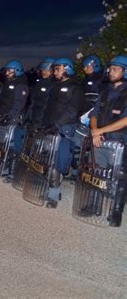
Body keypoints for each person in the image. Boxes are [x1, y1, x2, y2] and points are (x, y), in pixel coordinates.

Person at [89, 55, 127, 225]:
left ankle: (116, 211)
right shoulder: (105, 92)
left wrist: (100, 131)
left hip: (119, 140)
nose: (111, 72)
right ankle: (94, 205)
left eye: (115, 69)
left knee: (119, 177)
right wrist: (95, 132)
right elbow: (94, 114)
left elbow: (125, 120)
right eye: (110, 69)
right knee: (98, 172)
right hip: (100, 139)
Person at [43, 57, 85, 208]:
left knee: (57, 161)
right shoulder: (55, 86)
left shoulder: (76, 88)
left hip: (64, 128)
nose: (54, 72)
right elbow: (48, 107)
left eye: (57, 69)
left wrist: (57, 124)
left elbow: (72, 111)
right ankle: (49, 187)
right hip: (50, 127)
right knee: (48, 158)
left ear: (67, 69)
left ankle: (53, 195)